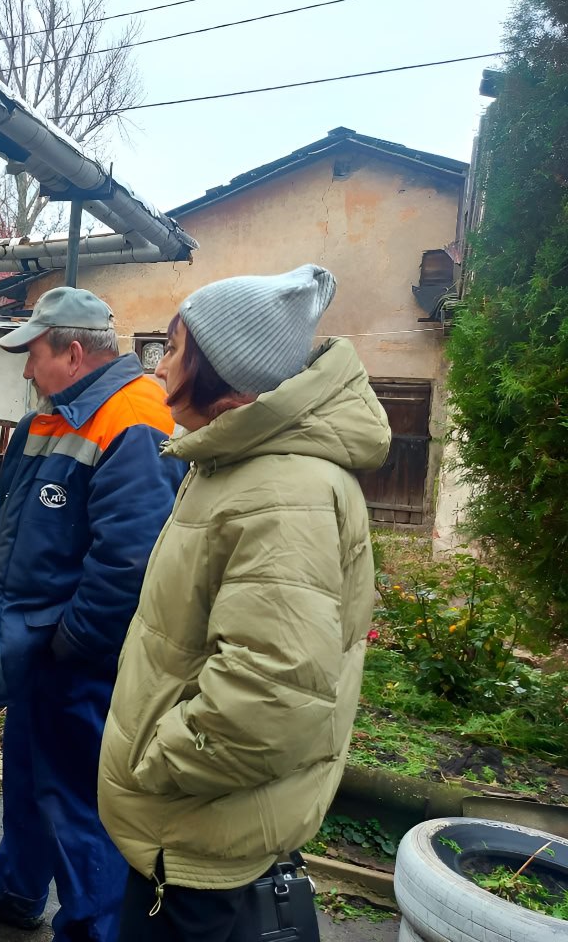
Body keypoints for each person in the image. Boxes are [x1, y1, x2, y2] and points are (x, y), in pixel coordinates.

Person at [98, 265, 392, 941]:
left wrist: (160, 759)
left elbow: (273, 692)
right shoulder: (236, 463)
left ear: (223, 372)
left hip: (202, 838)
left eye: (174, 349)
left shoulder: (281, 491)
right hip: (193, 831)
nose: (161, 364)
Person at [0, 287, 188, 941]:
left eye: (34, 354)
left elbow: (131, 559)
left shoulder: (134, 415)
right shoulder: (57, 412)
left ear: (73, 352)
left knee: (79, 800)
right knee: (27, 772)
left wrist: (74, 642)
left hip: (79, 657)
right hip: (38, 643)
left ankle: (94, 928)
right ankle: (17, 885)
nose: (24, 369)